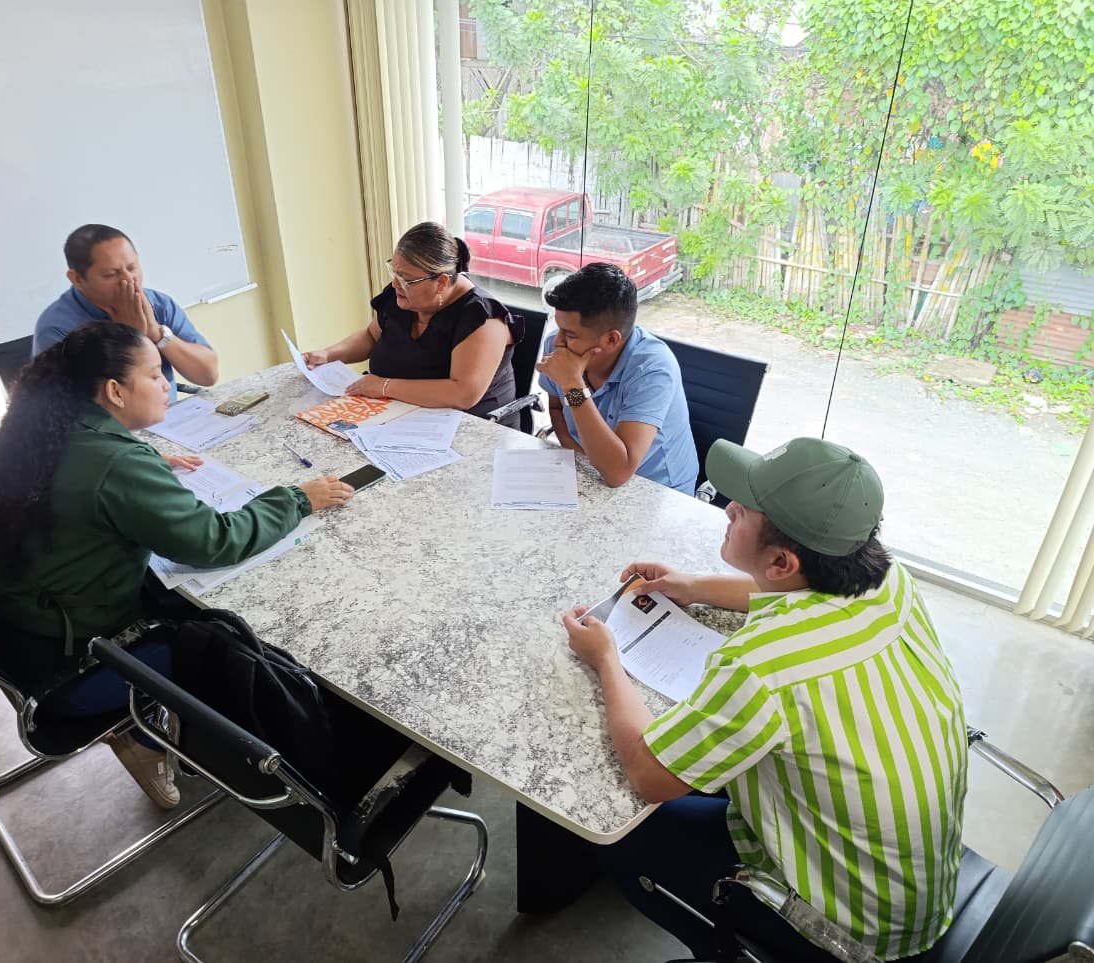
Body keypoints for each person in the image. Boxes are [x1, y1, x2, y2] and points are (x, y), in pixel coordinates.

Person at [562, 437, 967, 961]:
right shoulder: (890, 581)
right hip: (911, 888)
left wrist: (606, 658)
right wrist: (693, 586)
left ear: (780, 561)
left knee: (612, 827)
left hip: (846, 933)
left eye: (744, 507)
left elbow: (649, 772)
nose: (729, 507)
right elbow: (795, 593)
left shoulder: (763, 665)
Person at [0, 321, 354, 809]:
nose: (167, 385)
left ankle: (159, 732)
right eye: (155, 375)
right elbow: (214, 541)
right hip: (68, 675)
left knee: (189, 604)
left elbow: (83, 485)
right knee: (224, 638)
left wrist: (141, 465)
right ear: (115, 391)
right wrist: (298, 499)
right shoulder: (114, 463)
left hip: (16, 634)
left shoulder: (46, 429)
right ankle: (153, 740)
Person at [302, 222, 525, 426]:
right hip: (397, 417)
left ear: (441, 282)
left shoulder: (482, 318)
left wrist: (385, 386)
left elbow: (463, 394)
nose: (395, 284)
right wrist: (328, 355)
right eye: (394, 272)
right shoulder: (402, 296)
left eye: (406, 279)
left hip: (467, 430)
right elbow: (370, 336)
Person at [535, 262, 697, 493]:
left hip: (658, 489)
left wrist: (573, 385)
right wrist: (583, 460)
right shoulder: (558, 345)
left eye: (570, 334)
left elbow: (618, 473)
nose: (557, 341)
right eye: (559, 327)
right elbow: (556, 409)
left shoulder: (652, 369)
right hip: (590, 471)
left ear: (611, 340)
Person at [34, 224, 220, 401]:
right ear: (77, 279)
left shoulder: (159, 304)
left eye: (132, 268)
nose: (129, 280)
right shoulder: (57, 328)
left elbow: (208, 375)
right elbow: (75, 408)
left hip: (171, 414)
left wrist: (156, 333)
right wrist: (129, 337)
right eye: (111, 275)